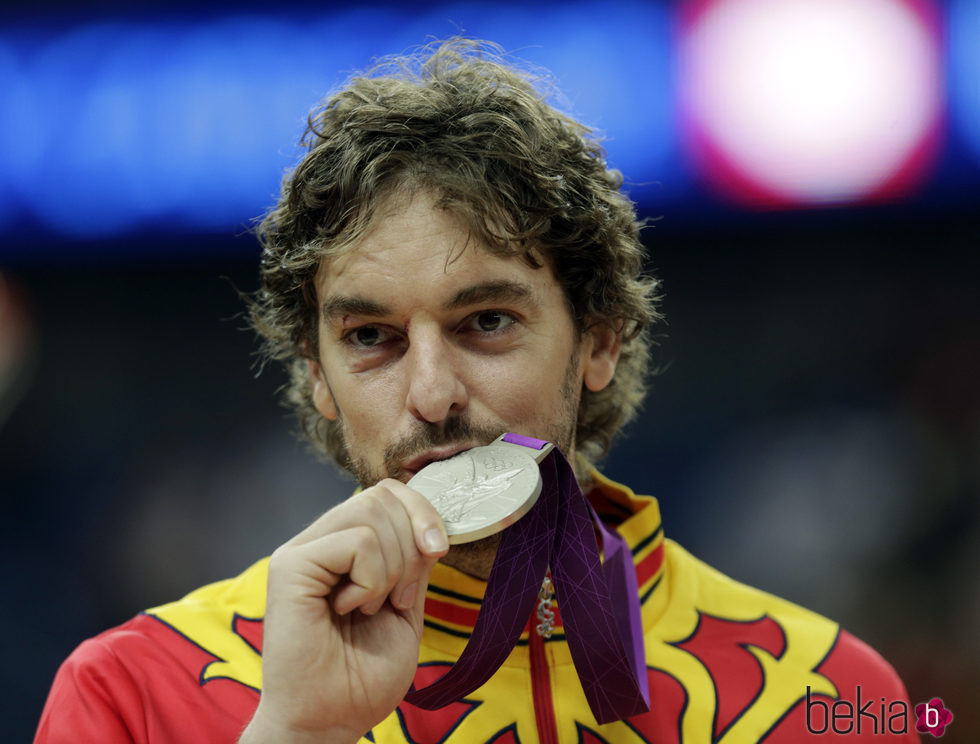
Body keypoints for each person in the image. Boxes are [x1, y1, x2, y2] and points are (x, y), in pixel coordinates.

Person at [35, 38, 918, 743]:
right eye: (371, 339)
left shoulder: (836, 696)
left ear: (599, 341)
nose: (432, 394)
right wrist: (298, 734)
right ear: (320, 378)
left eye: (486, 322)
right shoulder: (131, 696)